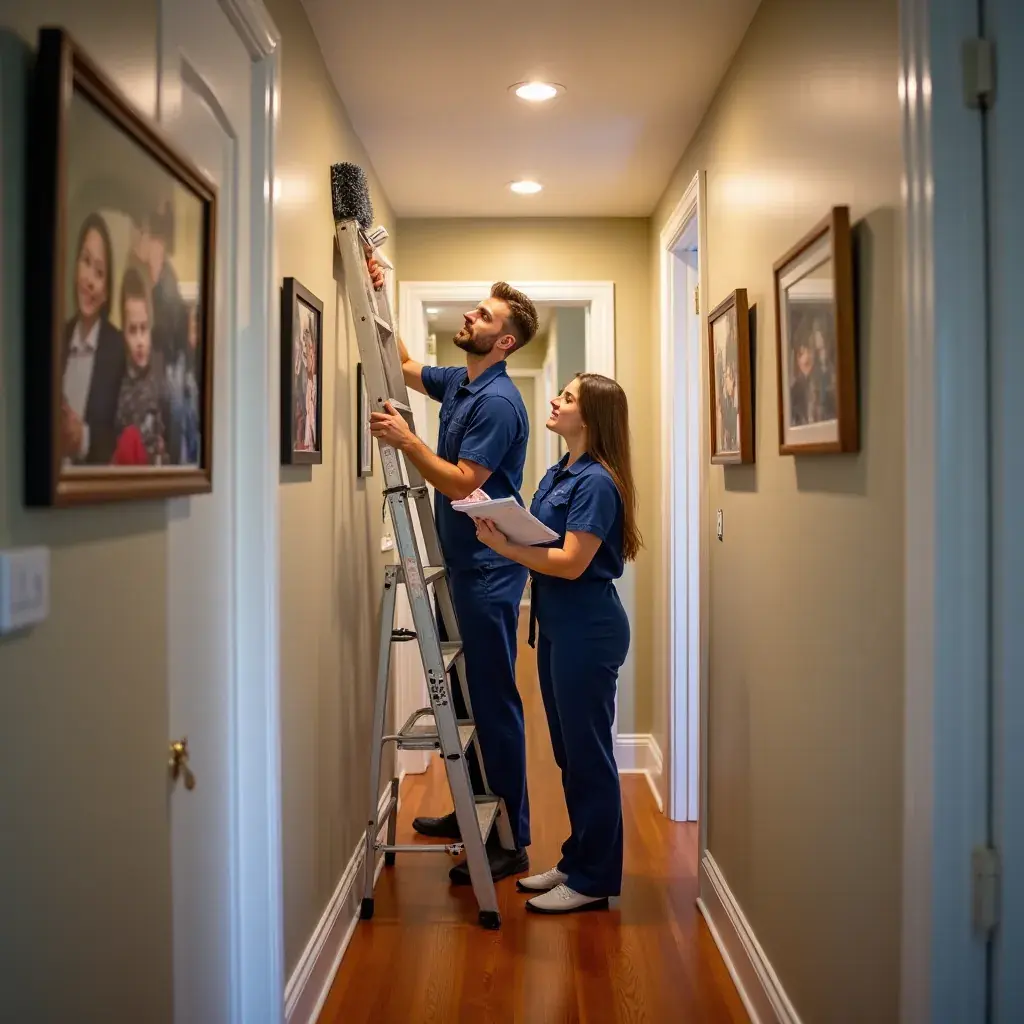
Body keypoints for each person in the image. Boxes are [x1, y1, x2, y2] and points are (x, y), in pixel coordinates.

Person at [367, 262, 539, 885]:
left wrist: (409, 444)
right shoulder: (464, 383)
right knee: (464, 699)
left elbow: (466, 481)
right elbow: (407, 366)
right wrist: (379, 288)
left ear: (505, 342)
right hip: (459, 563)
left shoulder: (498, 403)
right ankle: (475, 813)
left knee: (493, 704)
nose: (471, 315)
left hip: (489, 572)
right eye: (477, 308)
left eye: (485, 315)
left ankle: (510, 839)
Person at [474, 373, 641, 914]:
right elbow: (542, 537)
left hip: (588, 630)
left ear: (589, 418)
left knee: (589, 756)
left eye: (567, 398)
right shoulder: (560, 471)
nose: (555, 400)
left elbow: (570, 563)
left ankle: (594, 879)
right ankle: (576, 859)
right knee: (571, 755)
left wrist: (503, 547)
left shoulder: (596, 481)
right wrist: (497, 518)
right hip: (559, 626)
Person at [61, 212, 126, 466]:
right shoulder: (57, 338)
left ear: (107, 290)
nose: (89, 280)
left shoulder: (118, 348)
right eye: (85, 262)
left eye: (99, 273)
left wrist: (82, 438)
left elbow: (121, 433)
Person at [112, 266, 173, 465]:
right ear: (123, 331)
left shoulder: (162, 372)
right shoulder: (116, 376)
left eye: (143, 329)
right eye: (132, 330)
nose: (139, 341)